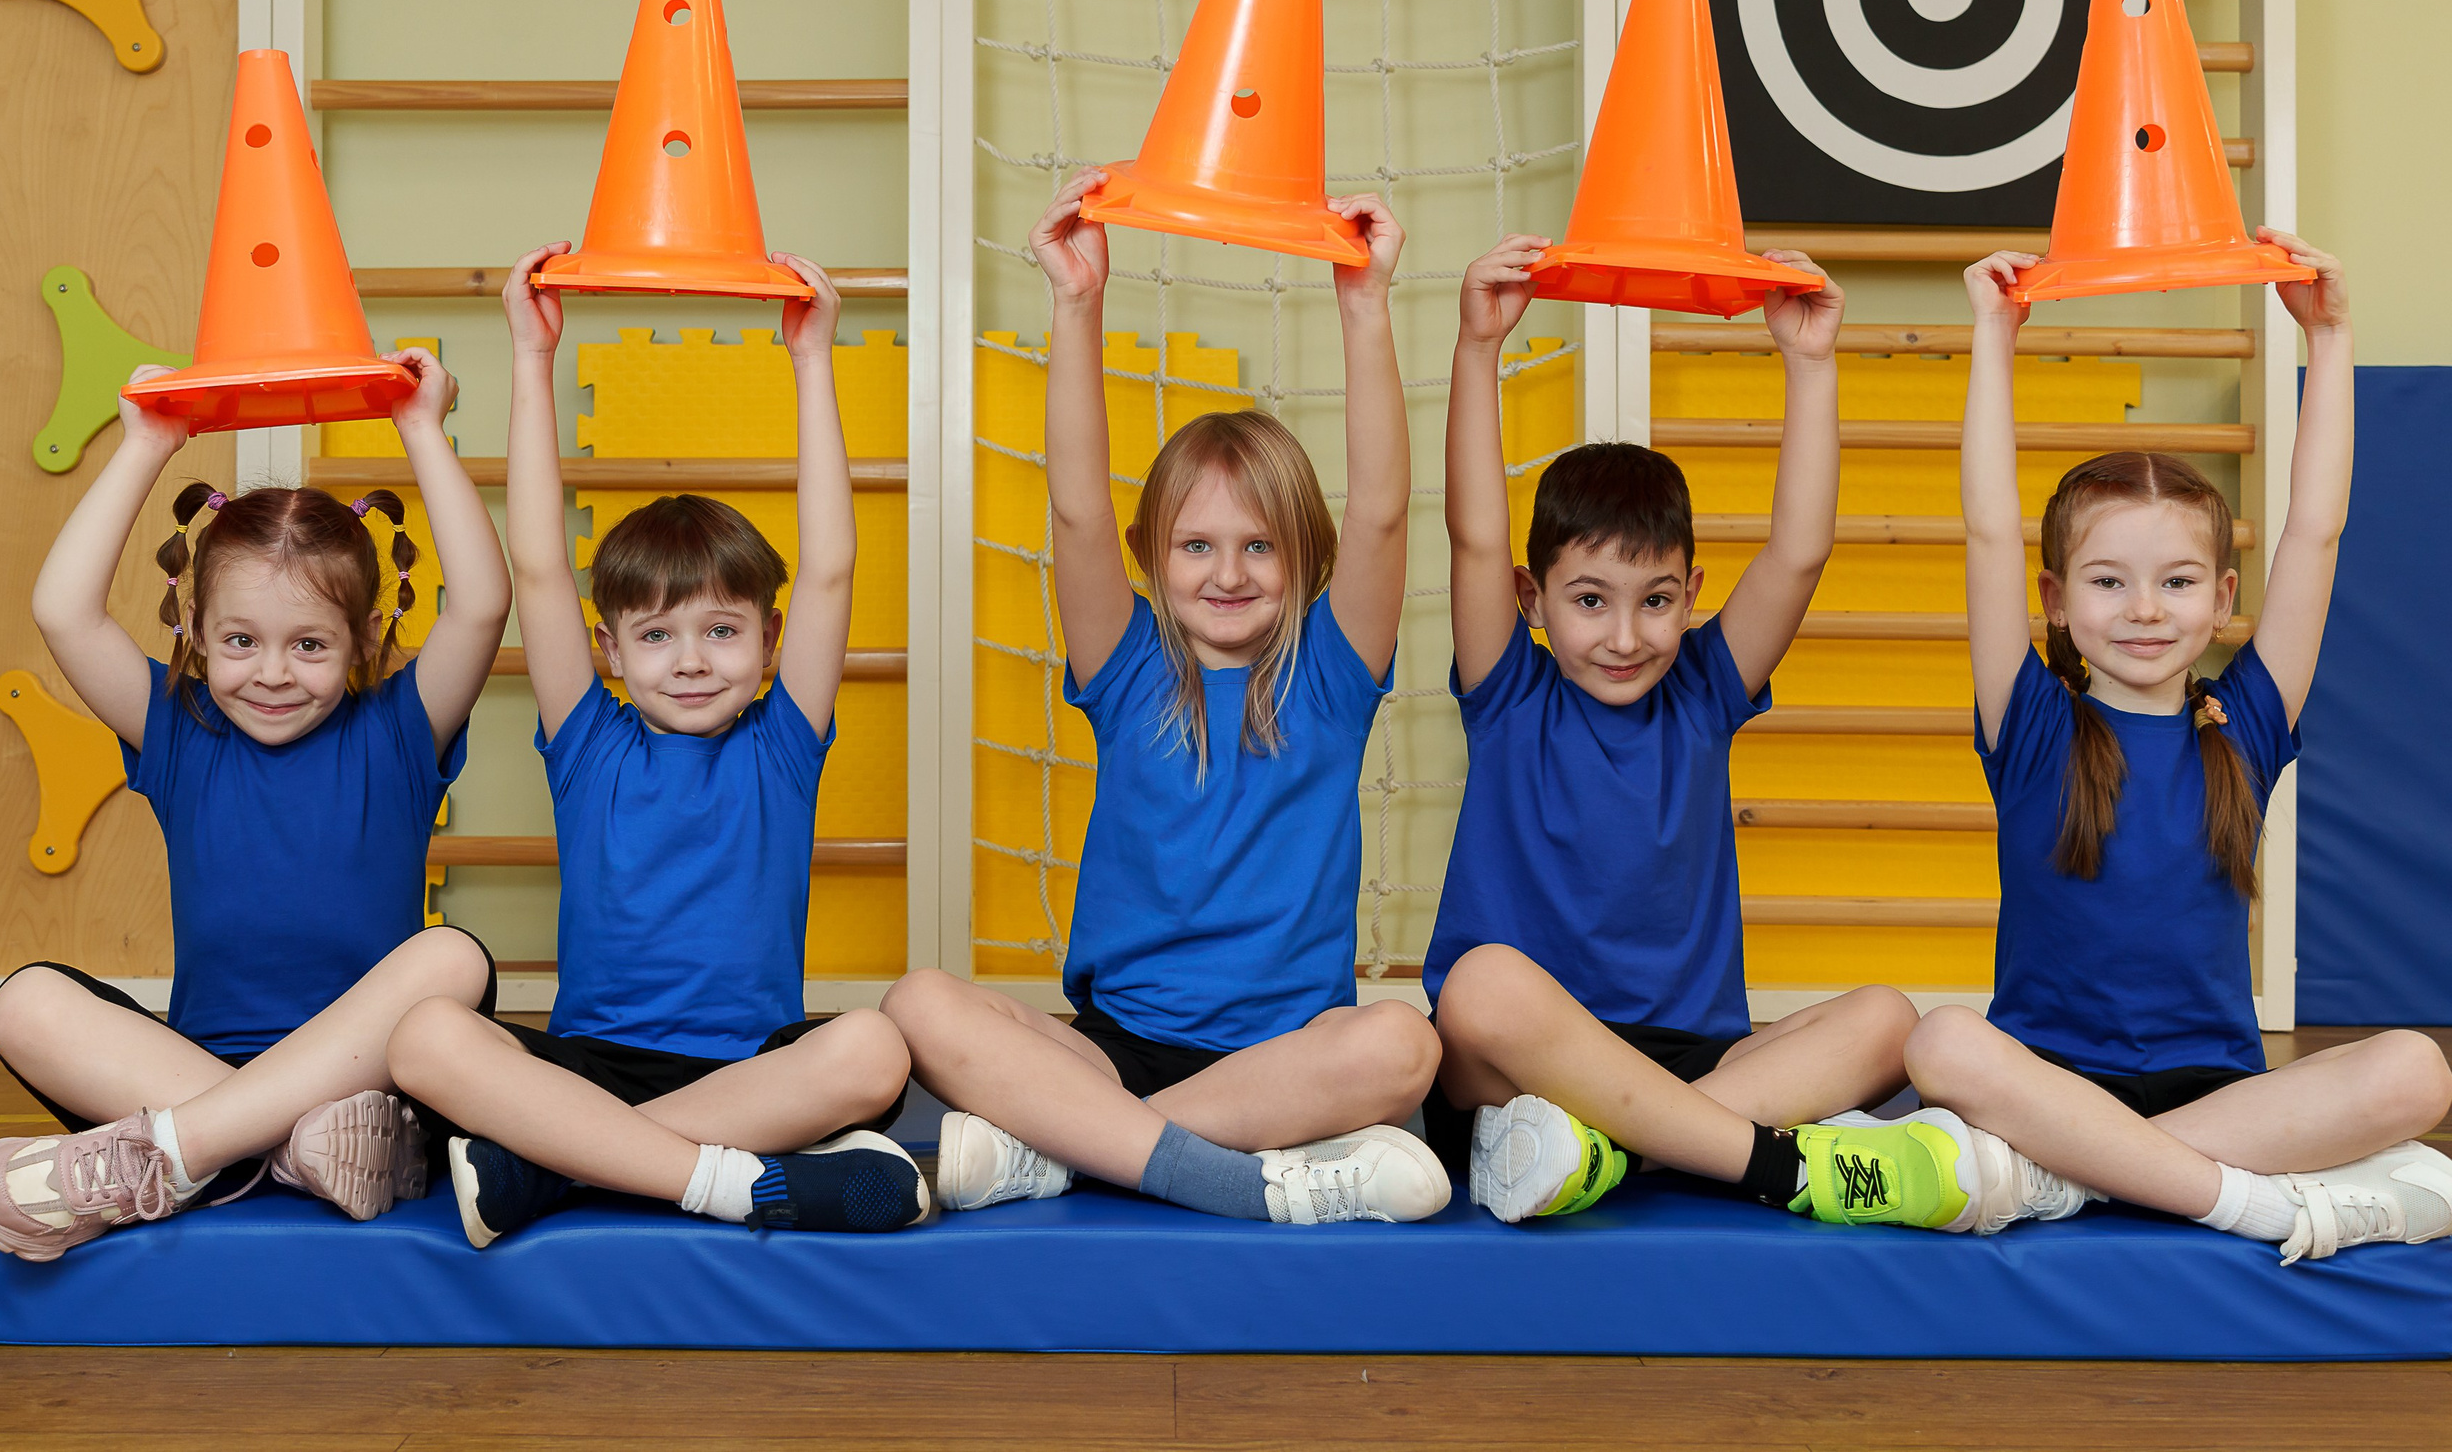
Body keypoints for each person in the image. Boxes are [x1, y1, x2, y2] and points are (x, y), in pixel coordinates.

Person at [1426, 234, 2032, 1235]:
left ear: (1691, 596)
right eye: (1589, 601)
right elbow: (1476, 535)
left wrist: (1809, 363)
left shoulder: (1703, 685)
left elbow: (1798, 552)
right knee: (1483, 988)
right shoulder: (1510, 692)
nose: (1624, 635)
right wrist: (1475, 349)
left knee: (1888, 1020)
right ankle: (1756, 1165)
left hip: (1692, 1058)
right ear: (1531, 600)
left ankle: (1607, 1154)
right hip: (1523, 1058)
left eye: (1655, 600)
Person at [883, 169, 1448, 1226]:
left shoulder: (1326, 677)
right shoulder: (1129, 666)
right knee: (917, 1003)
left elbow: (1378, 514)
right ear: (1153, 556)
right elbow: (1074, 510)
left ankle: (1069, 1152)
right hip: (1113, 1052)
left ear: (1304, 563)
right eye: (1196, 546)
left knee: (1403, 1044)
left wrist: (1364, 303)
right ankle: (1205, 1167)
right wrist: (1076, 302)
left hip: (1282, 1066)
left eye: (1257, 549)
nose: (1226, 573)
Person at [1899, 234, 2452, 1263]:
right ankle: (2231, 1198)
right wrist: (1991, 337)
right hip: (2046, 1080)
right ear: (2057, 604)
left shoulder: (2242, 725)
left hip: (2212, 1092)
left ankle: (2078, 1179)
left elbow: (2313, 534)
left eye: (2176, 583)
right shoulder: (2030, 725)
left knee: (2418, 1071)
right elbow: (1985, 529)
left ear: (2221, 600)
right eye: (2107, 582)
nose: (2144, 610)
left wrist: (2329, 339)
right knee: (1937, 1043)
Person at [384, 243, 925, 1248]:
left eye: (723, 631)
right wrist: (531, 357)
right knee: (419, 1037)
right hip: (587, 1058)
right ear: (612, 653)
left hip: (747, 1073)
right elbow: (540, 567)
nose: (690, 660)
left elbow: (831, 572)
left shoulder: (781, 748)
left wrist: (813, 360)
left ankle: (555, 1166)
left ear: (768, 643)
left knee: (871, 1051)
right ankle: (711, 1176)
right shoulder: (590, 742)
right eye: (657, 635)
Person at [0, 350, 510, 1261]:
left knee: (452, 958)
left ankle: (191, 1153)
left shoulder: (401, 730)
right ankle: (284, 1151)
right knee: (24, 1003)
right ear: (194, 633)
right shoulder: (178, 730)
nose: (270, 672)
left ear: (364, 641)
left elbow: (483, 604)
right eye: (240, 641)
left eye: (308, 644)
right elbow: (64, 611)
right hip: (199, 1071)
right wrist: (149, 441)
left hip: (368, 1085)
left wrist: (423, 427)